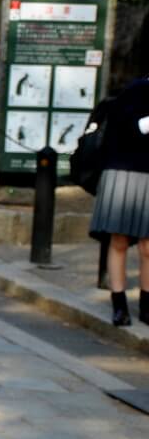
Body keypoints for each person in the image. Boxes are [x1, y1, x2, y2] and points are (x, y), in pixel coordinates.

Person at [89, 74, 149, 326]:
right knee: (119, 241)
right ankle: (119, 303)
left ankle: (146, 306)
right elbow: (125, 128)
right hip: (122, 171)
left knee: (148, 246)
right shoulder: (136, 90)